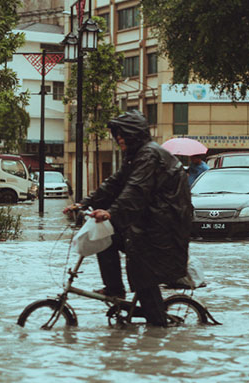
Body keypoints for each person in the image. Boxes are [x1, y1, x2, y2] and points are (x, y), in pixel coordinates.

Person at [63, 110, 192, 326]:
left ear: (136, 134)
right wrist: (84, 203)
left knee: (141, 273)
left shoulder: (149, 155)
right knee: (104, 239)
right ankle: (115, 290)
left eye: (123, 135)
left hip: (163, 229)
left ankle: (158, 330)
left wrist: (111, 213)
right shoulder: (136, 156)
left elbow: (135, 190)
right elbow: (115, 183)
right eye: (117, 135)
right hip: (151, 223)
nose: (119, 139)